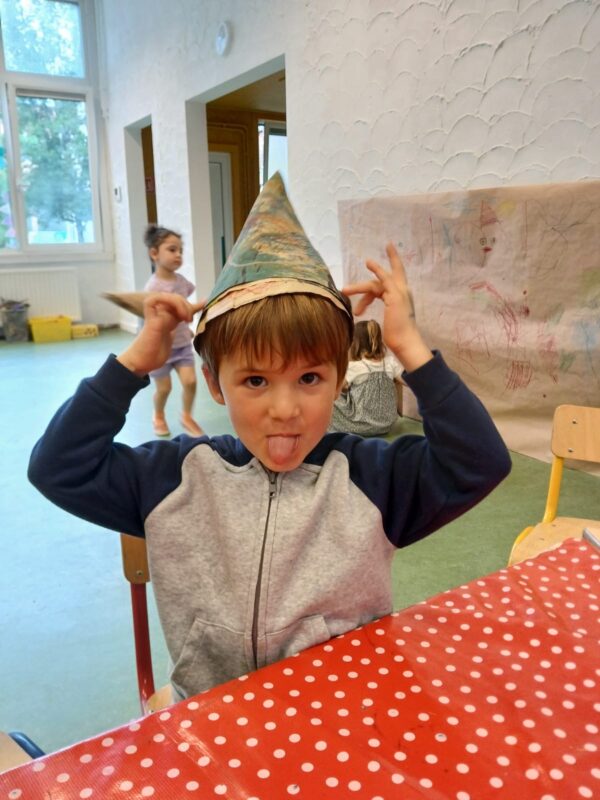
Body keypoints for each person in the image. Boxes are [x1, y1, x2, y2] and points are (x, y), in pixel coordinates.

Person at [28, 173, 511, 703]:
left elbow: (481, 462)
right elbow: (57, 467)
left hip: (344, 716)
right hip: (212, 719)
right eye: (255, 380)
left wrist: (410, 346)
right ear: (214, 383)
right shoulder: (173, 478)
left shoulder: (374, 479)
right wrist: (133, 364)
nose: (285, 410)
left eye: (310, 378)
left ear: (339, 375)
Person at [143, 224, 204, 437]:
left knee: (190, 381)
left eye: (181, 250)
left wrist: (187, 330)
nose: (178, 255)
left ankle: (187, 416)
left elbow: (184, 309)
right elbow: (159, 319)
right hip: (161, 351)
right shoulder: (152, 289)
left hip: (182, 346)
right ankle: (158, 415)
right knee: (164, 388)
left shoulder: (182, 282)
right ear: (154, 253)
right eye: (172, 249)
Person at [330, 318, 404, 436]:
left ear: (355, 343)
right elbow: (408, 380)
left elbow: (336, 389)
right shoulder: (390, 363)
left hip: (362, 425)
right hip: (387, 424)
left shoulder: (355, 366)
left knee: (328, 395)